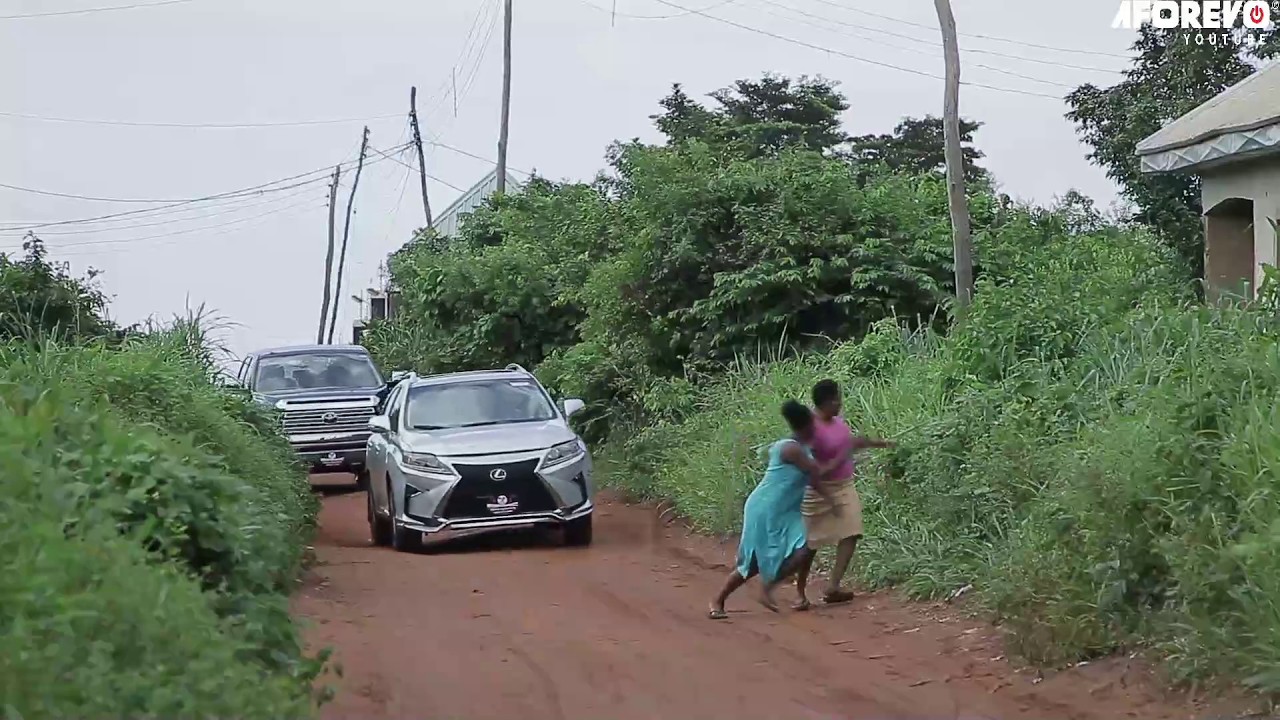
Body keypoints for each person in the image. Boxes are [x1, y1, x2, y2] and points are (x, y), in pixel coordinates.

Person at [708, 400, 845, 620]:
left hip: (785, 509)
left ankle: (793, 593)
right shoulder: (790, 448)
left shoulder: (799, 445)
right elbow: (817, 474)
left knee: (808, 544)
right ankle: (721, 598)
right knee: (752, 563)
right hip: (765, 507)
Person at [793, 378, 894, 610]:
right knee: (810, 544)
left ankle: (833, 586)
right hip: (818, 489)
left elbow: (850, 442)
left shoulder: (837, 422)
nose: (840, 403)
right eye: (836, 399)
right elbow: (808, 466)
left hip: (843, 485)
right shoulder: (809, 430)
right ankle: (799, 591)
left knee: (852, 531)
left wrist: (883, 444)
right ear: (825, 403)